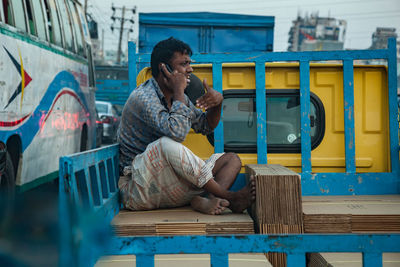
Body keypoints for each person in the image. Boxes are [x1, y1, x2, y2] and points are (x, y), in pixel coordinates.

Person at [117, 37, 255, 215]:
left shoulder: (177, 97)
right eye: (183, 64)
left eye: (189, 63)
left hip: (169, 186)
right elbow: (177, 134)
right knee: (166, 144)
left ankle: (211, 201)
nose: (190, 69)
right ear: (164, 69)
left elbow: (205, 126)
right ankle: (230, 197)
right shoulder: (144, 98)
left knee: (231, 160)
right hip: (139, 187)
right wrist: (179, 91)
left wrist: (218, 104)